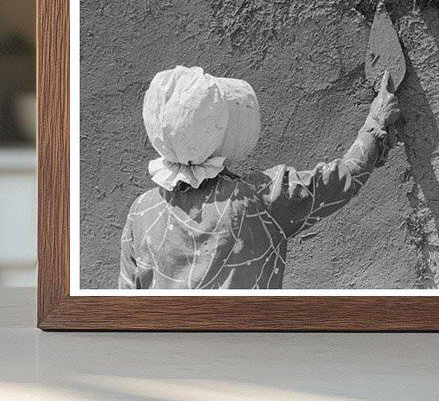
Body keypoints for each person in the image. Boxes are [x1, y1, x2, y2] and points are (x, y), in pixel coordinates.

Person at [118, 64, 400, 290]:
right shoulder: (259, 199)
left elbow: (126, 307)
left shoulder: (141, 211)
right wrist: (375, 127)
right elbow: (342, 179)